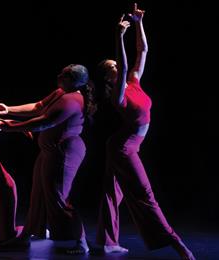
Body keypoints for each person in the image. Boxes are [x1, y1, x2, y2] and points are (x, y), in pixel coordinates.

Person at [95, 4, 195, 259]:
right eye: (113, 67)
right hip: (123, 149)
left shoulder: (133, 82)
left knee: (111, 192)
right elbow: (126, 61)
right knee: (145, 196)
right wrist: (118, 37)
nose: (118, 66)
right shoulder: (118, 96)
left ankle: (108, 242)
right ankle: (177, 243)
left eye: (116, 63)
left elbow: (143, 50)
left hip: (125, 144)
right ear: (109, 78)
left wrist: (138, 23)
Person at [0, 63, 96, 254]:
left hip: (64, 153)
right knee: (37, 195)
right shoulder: (61, 93)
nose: (59, 75)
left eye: (64, 74)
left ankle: (82, 243)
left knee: (60, 199)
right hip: (49, 151)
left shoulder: (72, 101)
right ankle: (26, 236)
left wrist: (12, 126)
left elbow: (43, 122)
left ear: (73, 80)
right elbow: (38, 106)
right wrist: (9, 109)